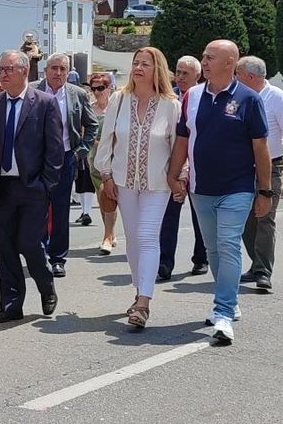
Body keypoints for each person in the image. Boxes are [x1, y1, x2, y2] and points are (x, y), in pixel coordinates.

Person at [166, 40, 272, 345]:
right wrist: (173, 174)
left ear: (230, 62)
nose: (205, 62)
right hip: (201, 189)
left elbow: (260, 147)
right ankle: (230, 297)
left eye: (210, 57)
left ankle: (223, 312)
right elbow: (183, 139)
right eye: (204, 57)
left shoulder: (249, 99)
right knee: (213, 249)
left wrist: (264, 191)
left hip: (237, 188)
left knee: (228, 245)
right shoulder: (192, 96)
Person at [94, 47, 181, 328]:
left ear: (158, 70)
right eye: (135, 63)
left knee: (147, 236)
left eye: (145, 64)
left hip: (158, 183)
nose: (138, 68)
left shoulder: (170, 105)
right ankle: (139, 288)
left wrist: (180, 176)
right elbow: (107, 139)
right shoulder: (119, 99)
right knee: (132, 239)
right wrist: (106, 174)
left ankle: (144, 301)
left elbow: (178, 146)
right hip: (123, 182)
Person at [0, 50, 61, 323]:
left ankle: (46, 284)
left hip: (32, 187)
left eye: (8, 69)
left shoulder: (44, 103)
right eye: (0, 69)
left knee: (29, 243)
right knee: (5, 248)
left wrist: (46, 185)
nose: (2, 74)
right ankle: (11, 304)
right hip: (1, 187)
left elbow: (55, 149)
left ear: (24, 71)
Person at [235, 56, 283, 294]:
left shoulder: (277, 97)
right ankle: (256, 262)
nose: (235, 78)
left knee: (265, 216)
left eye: (238, 74)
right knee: (246, 219)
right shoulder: (238, 96)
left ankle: (263, 271)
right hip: (245, 167)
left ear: (250, 77)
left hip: (273, 165)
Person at [37, 52, 98, 275]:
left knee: (61, 209)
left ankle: (58, 258)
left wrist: (81, 151)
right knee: (36, 207)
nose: (58, 73)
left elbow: (92, 125)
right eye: (54, 68)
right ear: (45, 70)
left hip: (65, 158)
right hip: (36, 159)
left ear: (68, 72)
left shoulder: (77, 94)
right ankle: (38, 253)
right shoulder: (33, 90)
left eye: (63, 69)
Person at [158, 55, 208, 281]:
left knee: (200, 216)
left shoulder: (203, 98)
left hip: (198, 168)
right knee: (169, 216)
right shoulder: (167, 100)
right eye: (178, 72)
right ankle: (164, 262)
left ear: (198, 75)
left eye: (185, 73)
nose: (180, 77)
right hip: (174, 167)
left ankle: (201, 258)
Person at [83, 72, 118, 254]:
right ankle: (109, 232)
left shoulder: (116, 107)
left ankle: (109, 235)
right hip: (95, 157)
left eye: (101, 88)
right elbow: (84, 132)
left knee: (111, 194)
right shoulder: (89, 109)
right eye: (93, 88)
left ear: (109, 88)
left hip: (115, 157)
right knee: (102, 196)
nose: (97, 92)